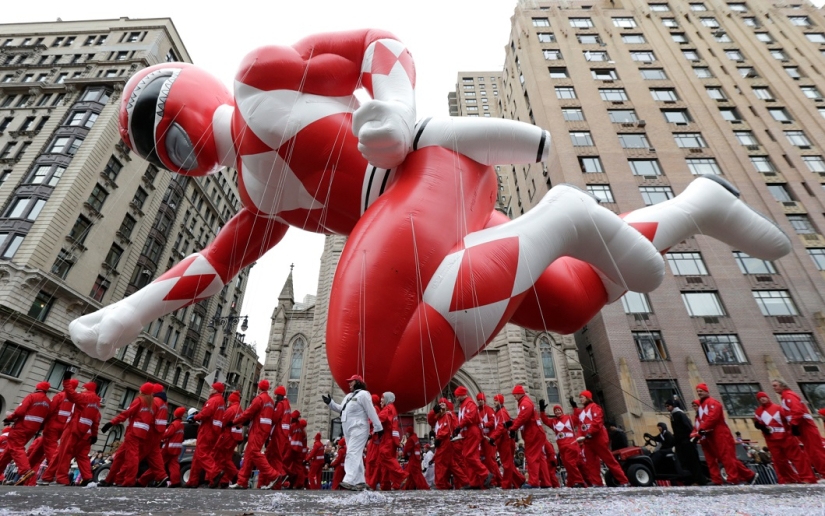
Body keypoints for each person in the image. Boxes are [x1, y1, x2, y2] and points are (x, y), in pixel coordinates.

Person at [71, 29, 791, 416]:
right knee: (569, 300)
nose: (173, 147)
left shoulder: (259, 78)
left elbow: (378, 44)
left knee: (375, 372)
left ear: (185, 89)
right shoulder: (259, 202)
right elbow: (210, 265)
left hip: (427, 170)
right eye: (157, 152)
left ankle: (567, 215)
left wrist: (394, 105)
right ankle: (695, 205)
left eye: (161, 123)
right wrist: (123, 316)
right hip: (436, 211)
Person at [322, 374, 383, 491]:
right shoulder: (348, 396)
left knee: (352, 452)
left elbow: (371, 411)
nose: (349, 384)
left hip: (359, 427)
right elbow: (341, 409)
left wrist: (378, 427)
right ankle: (360, 481)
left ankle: (349, 479)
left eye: (351, 382)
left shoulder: (364, 395)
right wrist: (330, 403)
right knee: (356, 454)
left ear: (358, 382)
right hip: (348, 429)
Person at [692, 383, 756, 485]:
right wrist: (695, 434)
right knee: (725, 458)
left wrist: (701, 430)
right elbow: (702, 422)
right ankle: (748, 475)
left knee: (726, 457)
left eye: (701, 391)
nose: (699, 393)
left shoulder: (712, 403)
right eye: (698, 391)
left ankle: (733, 478)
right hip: (711, 434)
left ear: (707, 391)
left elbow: (712, 417)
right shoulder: (703, 406)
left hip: (720, 433)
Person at [754, 390, 816, 484]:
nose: (762, 399)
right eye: (760, 398)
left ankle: (807, 477)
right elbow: (758, 423)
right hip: (771, 439)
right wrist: (760, 426)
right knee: (779, 461)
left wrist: (793, 429)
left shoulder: (779, 408)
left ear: (768, 397)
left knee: (797, 458)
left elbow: (789, 420)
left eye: (763, 397)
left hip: (786, 437)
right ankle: (789, 479)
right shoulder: (758, 412)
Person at [48, 376, 101, 487]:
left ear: (88, 389)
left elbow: (72, 395)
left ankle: (61, 478)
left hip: (73, 429)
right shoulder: (96, 402)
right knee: (81, 456)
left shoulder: (84, 397)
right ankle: (88, 478)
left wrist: (66, 381)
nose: (81, 390)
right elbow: (96, 420)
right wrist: (94, 434)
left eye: (83, 388)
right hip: (86, 434)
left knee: (63, 453)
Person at [102, 382, 155, 487]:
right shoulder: (151, 404)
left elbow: (127, 413)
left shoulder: (139, 400)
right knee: (119, 457)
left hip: (133, 432)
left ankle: (129, 480)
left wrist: (112, 422)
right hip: (142, 432)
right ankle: (110, 479)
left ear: (142, 391)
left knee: (132, 457)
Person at [26, 379, 77, 486]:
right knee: (41, 446)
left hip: (53, 424)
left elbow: (51, 410)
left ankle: (54, 471)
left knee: (50, 448)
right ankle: (27, 466)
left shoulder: (59, 396)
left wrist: (43, 423)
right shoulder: (75, 398)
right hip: (64, 425)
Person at [0, 381, 51, 485]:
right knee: (9, 452)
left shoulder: (32, 396)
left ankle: (25, 470)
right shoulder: (47, 402)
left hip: (21, 427)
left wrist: (9, 418)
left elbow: (20, 411)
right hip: (32, 430)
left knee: (16, 448)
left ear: (37, 388)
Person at [230, 380, 279, 490]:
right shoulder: (270, 401)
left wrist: (235, 421)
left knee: (254, 452)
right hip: (264, 430)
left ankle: (273, 475)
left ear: (259, 388)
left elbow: (249, 412)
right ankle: (242, 481)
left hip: (257, 429)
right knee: (249, 455)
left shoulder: (259, 399)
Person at [575, 390, 629, 487]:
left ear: (587, 397)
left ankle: (623, 480)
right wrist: (579, 437)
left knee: (609, 460)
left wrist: (590, 432)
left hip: (598, 439)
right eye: (580, 397)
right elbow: (580, 426)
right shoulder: (582, 412)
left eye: (582, 397)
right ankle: (597, 482)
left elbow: (597, 421)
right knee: (591, 463)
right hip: (588, 440)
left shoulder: (594, 407)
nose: (580, 399)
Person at [773, 379, 825, 477]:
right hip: (802, 426)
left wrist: (794, 424)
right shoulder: (786, 397)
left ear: (782, 385)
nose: (774, 388)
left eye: (775, 385)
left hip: (804, 426)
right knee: (812, 451)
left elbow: (797, 410)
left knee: (815, 451)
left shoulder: (789, 396)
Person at [506, 385, 546, 488]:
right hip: (535, 433)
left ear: (519, 394)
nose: (514, 398)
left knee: (531, 457)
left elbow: (523, 417)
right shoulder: (525, 403)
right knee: (539, 458)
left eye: (515, 395)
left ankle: (533, 482)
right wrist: (512, 423)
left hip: (533, 433)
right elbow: (522, 418)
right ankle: (546, 481)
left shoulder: (525, 403)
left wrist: (513, 428)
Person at [187, 382, 226, 488]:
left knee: (201, 454)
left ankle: (215, 472)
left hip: (207, 430)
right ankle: (193, 480)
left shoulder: (213, 400)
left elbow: (206, 413)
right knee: (199, 456)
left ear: (215, 390)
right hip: (214, 431)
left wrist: (194, 418)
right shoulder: (221, 401)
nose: (209, 390)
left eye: (211, 388)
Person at [539, 401, 585, 488]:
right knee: (567, 465)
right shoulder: (554, 422)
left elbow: (577, 417)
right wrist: (542, 410)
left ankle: (579, 481)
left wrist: (574, 406)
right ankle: (571, 483)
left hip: (571, 445)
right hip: (562, 447)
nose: (557, 412)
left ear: (562, 410)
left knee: (570, 463)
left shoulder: (569, 418)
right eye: (555, 411)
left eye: (558, 410)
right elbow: (545, 420)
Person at [453, 386, 491, 489]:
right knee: (469, 457)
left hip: (472, 432)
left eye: (457, 396)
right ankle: (474, 482)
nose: (456, 399)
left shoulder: (469, 404)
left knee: (469, 455)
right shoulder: (465, 404)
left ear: (461, 395)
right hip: (468, 433)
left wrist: (459, 427)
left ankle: (485, 473)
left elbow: (469, 417)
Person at [665, 399, 707, 486]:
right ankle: (689, 480)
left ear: (673, 405)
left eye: (668, 406)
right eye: (666, 406)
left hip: (687, 442)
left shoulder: (680, 414)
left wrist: (691, 438)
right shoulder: (673, 415)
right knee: (684, 462)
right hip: (680, 443)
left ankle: (699, 480)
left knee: (693, 461)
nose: (667, 408)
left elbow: (688, 427)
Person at [136, 384, 169, 487]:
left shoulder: (155, 401)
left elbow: (148, 416)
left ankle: (125, 477)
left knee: (137, 455)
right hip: (158, 432)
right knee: (155, 456)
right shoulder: (164, 403)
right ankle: (161, 476)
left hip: (151, 431)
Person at [375, 392, 408, 490]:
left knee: (385, 457)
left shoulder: (388, 408)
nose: (381, 400)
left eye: (382, 398)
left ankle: (401, 476)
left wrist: (369, 421)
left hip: (387, 438)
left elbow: (380, 418)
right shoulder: (392, 408)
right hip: (391, 439)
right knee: (385, 462)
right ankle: (386, 485)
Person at [491, 394, 524, 489]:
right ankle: (519, 480)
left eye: (496, 401)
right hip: (502, 441)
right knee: (508, 463)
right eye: (494, 400)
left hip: (505, 440)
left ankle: (506, 484)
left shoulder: (502, 412)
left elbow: (501, 427)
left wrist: (493, 437)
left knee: (507, 464)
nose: (494, 402)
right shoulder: (499, 412)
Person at [213, 390, 243, 488]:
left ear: (231, 400)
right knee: (226, 458)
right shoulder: (239, 409)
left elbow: (223, 423)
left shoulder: (231, 410)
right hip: (236, 437)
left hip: (228, 435)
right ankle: (225, 480)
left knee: (221, 458)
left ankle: (235, 475)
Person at [476, 392, 501, 487]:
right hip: (482, 439)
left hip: (489, 438)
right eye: (478, 400)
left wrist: (484, 425)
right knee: (484, 460)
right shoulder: (477, 410)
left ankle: (494, 481)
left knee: (490, 460)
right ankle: (495, 479)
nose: (480, 401)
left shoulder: (488, 410)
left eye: (481, 400)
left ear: (484, 400)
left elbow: (492, 422)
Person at [161, 407, 187, 488]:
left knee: (158, 464)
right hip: (177, 448)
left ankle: (143, 480)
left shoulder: (174, 424)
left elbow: (166, 434)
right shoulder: (181, 424)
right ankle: (175, 481)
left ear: (175, 414)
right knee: (174, 466)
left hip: (169, 448)